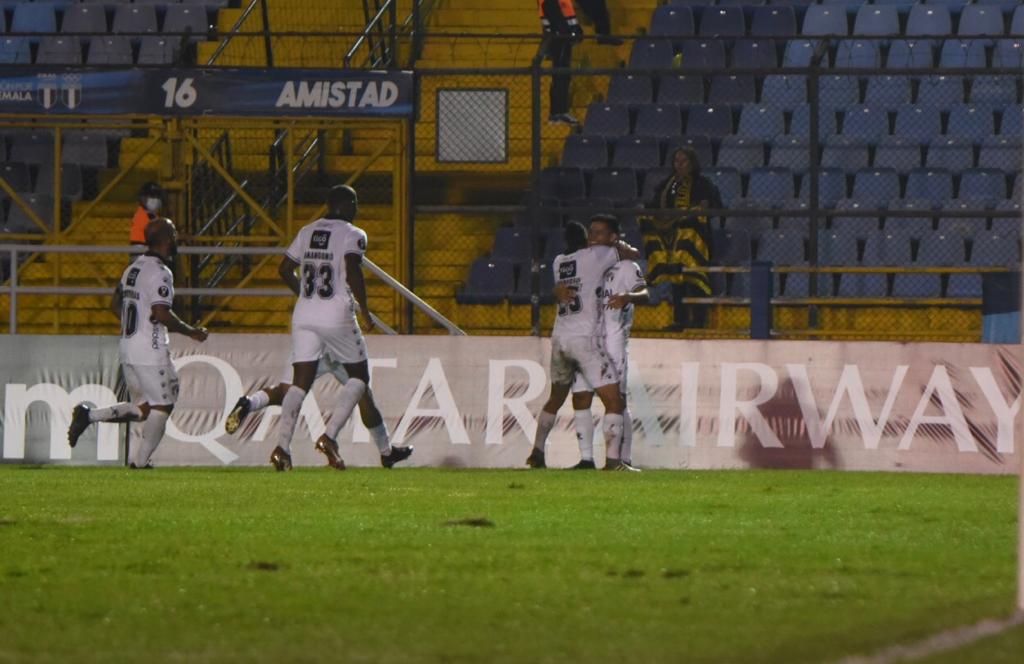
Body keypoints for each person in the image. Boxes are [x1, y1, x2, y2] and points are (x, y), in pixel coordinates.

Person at [267, 184, 404, 472]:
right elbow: (352, 268)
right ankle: (329, 437)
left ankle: (282, 448)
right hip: (337, 314)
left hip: (304, 313)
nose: (357, 208)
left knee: (299, 383)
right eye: (355, 203)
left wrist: (306, 294)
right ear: (348, 205)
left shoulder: (307, 231)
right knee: (359, 378)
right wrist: (365, 310)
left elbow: (283, 269)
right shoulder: (353, 233)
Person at [68, 218, 209, 468]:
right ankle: (140, 463)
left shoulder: (132, 268)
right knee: (163, 406)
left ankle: (88, 416)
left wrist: (135, 323)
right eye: (174, 233)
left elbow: (115, 304)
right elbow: (162, 314)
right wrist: (192, 332)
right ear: (165, 239)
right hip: (150, 350)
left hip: (128, 346)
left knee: (144, 408)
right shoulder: (160, 272)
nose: (177, 238)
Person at [526, 217, 640, 470]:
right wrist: (614, 242)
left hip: (560, 339)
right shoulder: (596, 257)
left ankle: (537, 451)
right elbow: (631, 253)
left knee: (555, 398)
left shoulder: (559, 262)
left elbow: (561, 287)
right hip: (585, 340)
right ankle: (613, 463)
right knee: (614, 402)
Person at [224, 354, 412, 469]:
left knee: (285, 391)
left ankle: (250, 403)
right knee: (362, 391)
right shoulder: (341, 290)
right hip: (336, 343)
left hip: (307, 341)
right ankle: (386, 453)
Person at [569, 214, 649, 470]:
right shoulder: (585, 264)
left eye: (600, 233)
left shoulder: (626, 267)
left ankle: (619, 460)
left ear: (614, 238)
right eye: (591, 232)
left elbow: (646, 293)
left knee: (617, 401)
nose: (593, 237)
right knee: (581, 398)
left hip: (613, 343)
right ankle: (585, 460)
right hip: (586, 342)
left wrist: (628, 296)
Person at [643, 146, 722, 331]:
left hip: (696, 241)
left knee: (695, 279)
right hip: (671, 239)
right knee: (676, 281)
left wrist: (705, 206)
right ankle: (681, 320)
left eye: (683, 161)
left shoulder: (703, 184)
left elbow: (715, 206)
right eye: (676, 161)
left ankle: (699, 320)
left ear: (692, 163)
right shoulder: (666, 185)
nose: (679, 164)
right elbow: (655, 207)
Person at [539, 0, 583, 126]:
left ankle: (558, 112)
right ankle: (559, 112)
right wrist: (573, 34)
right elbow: (559, 22)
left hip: (560, 40)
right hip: (560, 42)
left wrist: (575, 32)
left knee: (561, 76)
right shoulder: (550, 3)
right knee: (561, 76)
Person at [129, 182, 163, 248]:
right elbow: (138, 245)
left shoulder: (152, 216)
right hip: (142, 253)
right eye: (151, 196)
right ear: (142, 198)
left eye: (157, 196)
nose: (155, 200)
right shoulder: (141, 216)